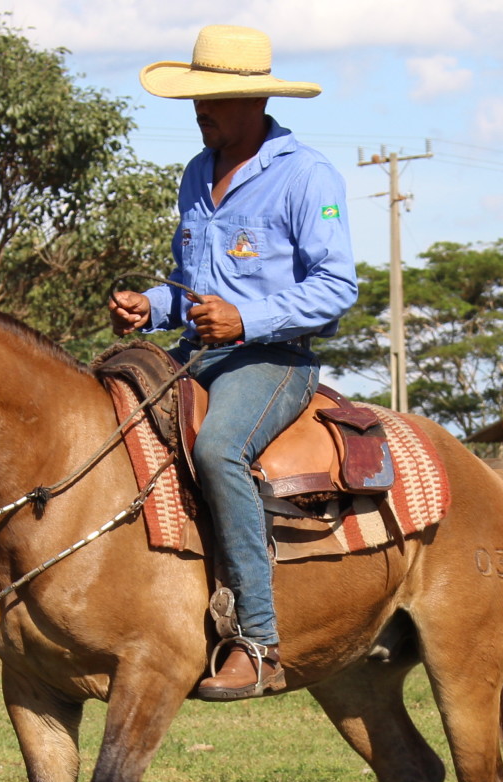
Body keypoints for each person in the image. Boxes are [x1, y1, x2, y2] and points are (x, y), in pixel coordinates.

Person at [109, 24, 358, 701]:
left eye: (213, 97)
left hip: (275, 359)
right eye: (196, 97)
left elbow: (338, 288)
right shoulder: (197, 173)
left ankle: (258, 640)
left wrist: (246, 319)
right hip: (197, 356)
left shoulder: (307, 176)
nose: (200, 109)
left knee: (219, 449)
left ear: (255, 101)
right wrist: (151, 305)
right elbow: (190, 287)